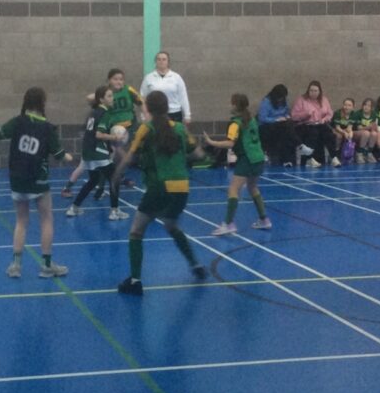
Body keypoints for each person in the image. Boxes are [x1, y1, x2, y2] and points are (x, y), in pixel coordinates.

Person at [112, 90, 208, 295]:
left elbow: (130, 157)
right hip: (182, 187)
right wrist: (180, 158)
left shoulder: (146, 129)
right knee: (171, 226)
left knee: (136, 231)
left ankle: (135, 281)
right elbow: (199, 154)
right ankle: (195, 264)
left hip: (160, 187)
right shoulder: (180, 128)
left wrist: (116, 175)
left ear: (148, 108)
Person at [0, 87, 74, 279]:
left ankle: (16, 265)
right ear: (42, 103)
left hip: (17, 178)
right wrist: (69, 157)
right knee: (46, 219)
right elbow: (59, 155)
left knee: (21, 220)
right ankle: (46, 265)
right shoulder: (47, 128)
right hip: (38, 179)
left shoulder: (17, 121)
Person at [204, 93, 273, 235]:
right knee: (252, 187)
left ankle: (228, 223)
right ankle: (264, 220)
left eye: (231, 102)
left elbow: (230, 143)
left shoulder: (235, 123)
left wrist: (212, 142)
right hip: (259, 157)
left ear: (235, 105)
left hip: (247, 158)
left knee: (233, 189)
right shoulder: (251, 119)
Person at [67, 86, 129, 221]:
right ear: (101, 99)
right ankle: (114, 211)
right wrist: (115, 137)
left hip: (88, 151)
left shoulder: (93, 112)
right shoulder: (105, 113)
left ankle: (74, 207)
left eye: (112, 95)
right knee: (114, 179)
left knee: (93, 180)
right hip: (98, 152)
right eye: (109, 96)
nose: (112, 98)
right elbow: (99, 134)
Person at [258, 84, 308, 167]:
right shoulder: (266, 102)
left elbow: (286, 113)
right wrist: (276, 119)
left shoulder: (284, 102)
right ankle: (300, 145)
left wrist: (287, 116)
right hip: (267, 127)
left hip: (281, 125)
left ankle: (288, 159)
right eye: (280, 97)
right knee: (286, 127)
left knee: (288, 127)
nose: (281, 99)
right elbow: (262, 118)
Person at [290, 80, 338, 167]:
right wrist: (305, 114)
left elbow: (329, 113)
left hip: (320, 124)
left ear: (319, 92)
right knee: (313, 133)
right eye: (311, 90)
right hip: (305, 125)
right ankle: (309, 159)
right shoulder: (301, 100)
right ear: (308, 90)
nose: (313, 93)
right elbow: (294, 116)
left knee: (329, 134)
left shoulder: (324, 99)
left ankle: (333, 157)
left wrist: (324, 119)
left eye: (315, 91)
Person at [140, 51, 191, 123]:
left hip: (174, 113)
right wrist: (144, 114)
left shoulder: (176, 77)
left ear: (168, 62)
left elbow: (183, 97)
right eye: (159, 59)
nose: (161, 61)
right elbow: (142, 98)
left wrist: (187, 115)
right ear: (155, 62)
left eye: (164, 59)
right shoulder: (148, 78)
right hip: (155, 114)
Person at [353, 97, 380, 162]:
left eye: (369, 106)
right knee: (366, 133)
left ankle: (369, 153)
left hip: (367, 133)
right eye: (365, 105)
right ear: (362, 105)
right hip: (356, 133)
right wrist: (369, 127)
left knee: (374, 134)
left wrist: (374, 128)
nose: (366, 107)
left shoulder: (374, 114)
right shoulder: (358, 113)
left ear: (372, 108)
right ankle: (359, 153)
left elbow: (373, 128)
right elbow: (359, 128)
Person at [332, 97, 357, 164]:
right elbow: (337, 127)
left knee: (350, 136)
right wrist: (344, 133)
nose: (346, 107)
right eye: (345, 105)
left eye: (349, 105)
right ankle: (335, 154)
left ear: (353, 107)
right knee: (339, 136)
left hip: (345, 129)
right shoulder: (338, 113)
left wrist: (350, 133)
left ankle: (348, 155)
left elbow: (349, 127)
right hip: (335, 129)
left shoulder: (353, 114)